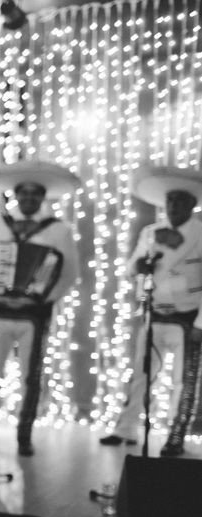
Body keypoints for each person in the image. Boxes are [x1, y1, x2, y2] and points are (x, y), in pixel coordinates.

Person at [0, 161, 81, 456]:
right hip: (1, 309)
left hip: (34, 313)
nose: (28, 200)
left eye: (35, 195)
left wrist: (44, 297)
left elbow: (68, 273)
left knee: (31, 375)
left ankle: (24, 434)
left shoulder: (58, 231)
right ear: (16, 195)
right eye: (23, 194)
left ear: (43, 198)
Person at [100, 165, 202, 457]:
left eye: (180, 201)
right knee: (142, 374)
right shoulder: (151, 232)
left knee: (185, 381)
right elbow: (132, 266)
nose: (174, 207)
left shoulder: (200, 233)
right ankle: (126, 429)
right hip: (154, 313)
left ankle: (176, 434)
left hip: (187, 318)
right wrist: (139, 268)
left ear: (191, 205)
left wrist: (200, 323)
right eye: (170, 201)